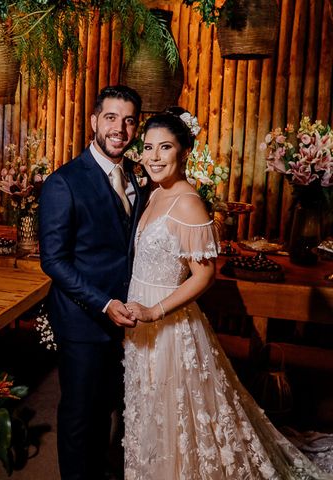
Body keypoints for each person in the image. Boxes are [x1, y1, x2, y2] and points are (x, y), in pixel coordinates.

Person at [122, 107, 332, 479]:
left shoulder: (188, 203)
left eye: (165, 147)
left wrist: (155, 311)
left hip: (168, 325)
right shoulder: (154, 195)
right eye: (148, 147)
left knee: (175, 414)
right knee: (149, 406)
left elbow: (204, 276)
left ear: (183, 152)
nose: (153, 157)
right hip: (140, 323)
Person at [39, 85, 149, 480]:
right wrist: (103, 303)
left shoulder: (136, 177)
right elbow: (53, 260)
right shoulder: (63, 182)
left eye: (129, 119)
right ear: (93, 122)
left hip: (127, 320)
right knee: (79, 415)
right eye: (110, 117)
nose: (119, 128)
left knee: (108, 407)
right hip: (84, 319)